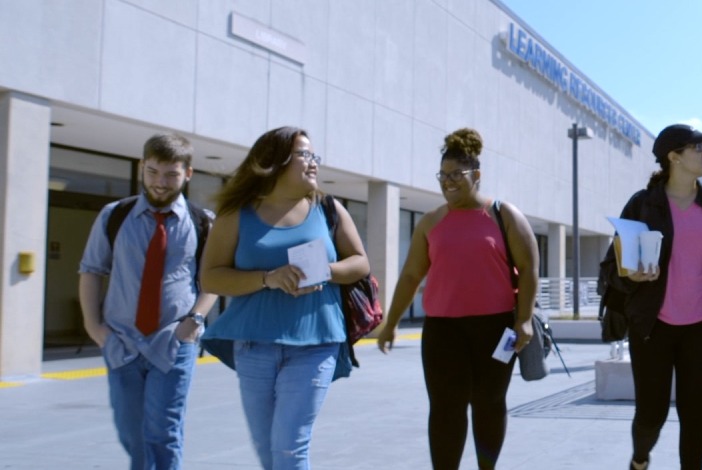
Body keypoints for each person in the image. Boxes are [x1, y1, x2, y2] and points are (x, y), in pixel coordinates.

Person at [199, 126, 370, 469]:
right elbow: (211, 277)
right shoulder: (237, 214)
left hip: (315, 343)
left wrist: (326, 270)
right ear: (275, 162)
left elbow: (361, 263)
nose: (313, 163)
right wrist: (268, 278)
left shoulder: (328, 208)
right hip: (254, 345)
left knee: (290, 448)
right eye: (304, 155)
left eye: (313, 156)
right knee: (268, 450)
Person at [376, 128, 539, 470]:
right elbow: (410, 276)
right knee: (445, 407)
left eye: (456, 175)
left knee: (489, 403)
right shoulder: (431, 222)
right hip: (442, 331)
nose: (448, 182)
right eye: (443, 175)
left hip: (496, 329)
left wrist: (523, 319)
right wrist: (390, 323)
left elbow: (529, 268)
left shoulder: (503, 214)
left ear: (476, 175)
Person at [601, 124, 702, 470]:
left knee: (693, 414)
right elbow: (611, 267)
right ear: (674, 157)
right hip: (652, 326)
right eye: (699, 148)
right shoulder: (642, 205)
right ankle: (640, 459)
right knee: (651, 415)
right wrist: (631, 274)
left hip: (701, 327)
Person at [79, 133, 219, 470]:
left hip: (172, 341)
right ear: (142, 167)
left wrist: (194, 321)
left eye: (171, 174)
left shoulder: (203, 222)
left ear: (188, 173)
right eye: (153, 172)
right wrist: (94, 327)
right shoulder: (114, 215)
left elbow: (212, 282)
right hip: (122, 340)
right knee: (131, 432)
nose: (160, 182)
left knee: (163, 432)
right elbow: (91, 270)